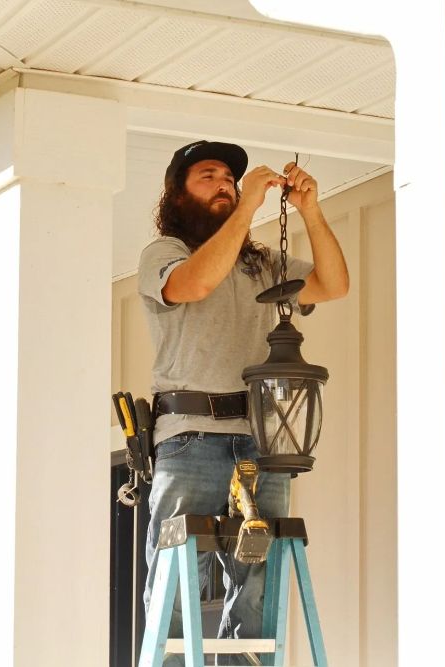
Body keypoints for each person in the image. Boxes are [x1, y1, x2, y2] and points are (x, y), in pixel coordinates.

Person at [137, 140, 349, 666]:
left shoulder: (262, 264)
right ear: (177, 194)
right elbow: (196, 283)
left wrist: (311, 210)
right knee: (175, 588)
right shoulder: (164, 254)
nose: (224, 185)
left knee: (257, 588)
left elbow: (333, 284)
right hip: (190, 436)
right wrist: (250, 205)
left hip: (260, 440)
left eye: (230, 180)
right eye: (207, 176)